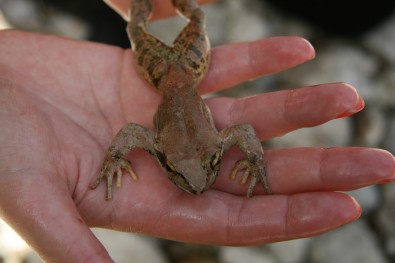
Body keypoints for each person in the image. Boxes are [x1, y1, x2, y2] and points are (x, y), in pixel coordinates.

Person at [0, 0, 394, 262]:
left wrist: (256, 158)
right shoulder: (161, 145)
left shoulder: (191, 145)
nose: (200, 183)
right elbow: (137, 133)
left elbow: (234, 130)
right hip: (179, 77)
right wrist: (111, 160)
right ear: (163, 161)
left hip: (182, 78)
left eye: (209, 165)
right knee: (137, 31)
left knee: (358, 12)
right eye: (179, 172)